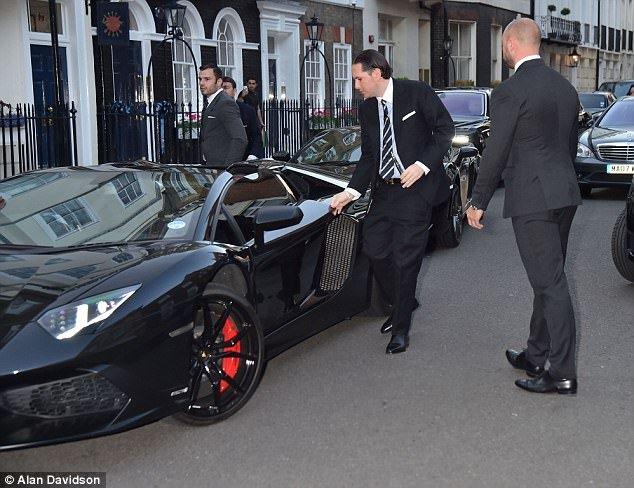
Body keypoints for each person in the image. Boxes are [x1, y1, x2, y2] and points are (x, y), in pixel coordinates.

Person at [466, 18, 581, 395]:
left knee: (551, 284)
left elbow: (495, 149)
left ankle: (561, 373)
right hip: (564, 194)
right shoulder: (565, 88)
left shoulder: (510, 91)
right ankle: (536, 354)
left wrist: (478, 200)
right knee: (548, 278)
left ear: (512, 45)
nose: (503, 48)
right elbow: (568, 146)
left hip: (533, 198)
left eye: (503, 43)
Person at [330, 49, 454, 354]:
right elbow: (369, 156)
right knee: (374, 249)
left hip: (416, 190)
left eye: (359, 78)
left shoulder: (416, 92)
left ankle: (400, 329)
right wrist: (350, 192)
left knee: (405, 260)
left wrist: (422, 165)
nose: (356, 85)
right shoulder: (367, 110)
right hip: (384, 191)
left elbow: (445, 130)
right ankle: (404, 303)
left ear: (376, 73)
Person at [198, 64, 247, 166]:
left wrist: (227, 169)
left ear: (219, 82)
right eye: (200, 79)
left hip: (221, 168)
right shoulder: (211, 101)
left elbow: (240, 139)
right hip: (211, 166)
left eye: (207, 79)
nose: (201, 83)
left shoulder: (225, 103)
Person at [222, 76, 265, 160]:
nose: (223, 91)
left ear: (234, 90)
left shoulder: (250, 106)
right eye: (221, 89)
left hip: (245, 156)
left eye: (226, 88)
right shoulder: (212, 110)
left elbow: (256, 135)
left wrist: (253, 155)